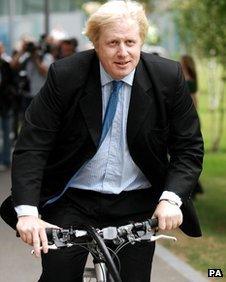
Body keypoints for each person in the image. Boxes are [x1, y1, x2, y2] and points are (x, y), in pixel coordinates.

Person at [1, 1, 203, 281]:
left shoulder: (167, 77)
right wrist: (27, 213)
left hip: (136, 200)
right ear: (95, 43)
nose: (123, 52)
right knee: (59, 275)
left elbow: (188, 147)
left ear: (141, 41)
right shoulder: (65, 75)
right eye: (113, 43)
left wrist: (171, 199)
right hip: (71, 199)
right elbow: (33, 144)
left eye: (131, 42)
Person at [180, 54, 204, 198]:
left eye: (182, 62)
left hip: (188, 120)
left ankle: (192, 188)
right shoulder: (181, 78)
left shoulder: (189, 81)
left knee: (188, 152)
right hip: (184, 119)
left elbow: (194, 102)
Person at [0, 42, 16, 171]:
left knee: (6, 133)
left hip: (5, 104)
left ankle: (6, 159)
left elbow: (13, 83)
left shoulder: (6, 64)